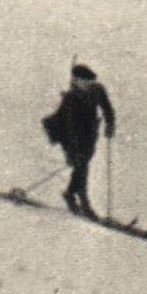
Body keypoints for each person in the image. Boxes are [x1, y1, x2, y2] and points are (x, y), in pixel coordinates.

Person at [46, 64, 116, 219]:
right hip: (69, 136)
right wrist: (73, 151)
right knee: (81, 166)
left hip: (90, 135)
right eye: (83, 81)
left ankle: (70, 193)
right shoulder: (70, 99)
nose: (86, 85)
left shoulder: (97, 90)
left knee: (82, 165)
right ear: (76, 80)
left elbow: (107, 107)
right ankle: (85, 203)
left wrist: (110, 124)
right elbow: (69, 128)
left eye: (89, 82)